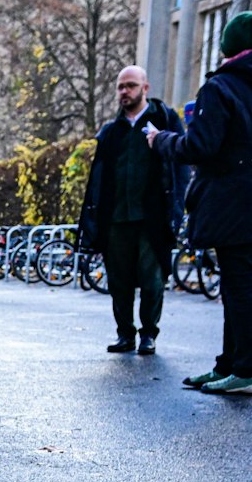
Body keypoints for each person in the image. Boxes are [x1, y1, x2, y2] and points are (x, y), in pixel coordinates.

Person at [148, 12, 252, 395]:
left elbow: (200, 147)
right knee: (235, 281)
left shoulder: (221, 87)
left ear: (228, 44)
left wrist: (161, 140)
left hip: (234, 200)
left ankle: (248, 369)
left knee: (239, 286)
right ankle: (228, 365)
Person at [77, 65, 187, 356]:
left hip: (152, 216)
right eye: (120, 86)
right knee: (119, 280)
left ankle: (148, 333)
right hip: (116, 218)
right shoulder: (111, 131)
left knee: (152, 279)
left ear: (145, 88)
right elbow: (99, 178)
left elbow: (180, 168)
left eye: (131, 85)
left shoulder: (164, 121)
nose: (124, 91)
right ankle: (124, 333)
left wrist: (176, 210)